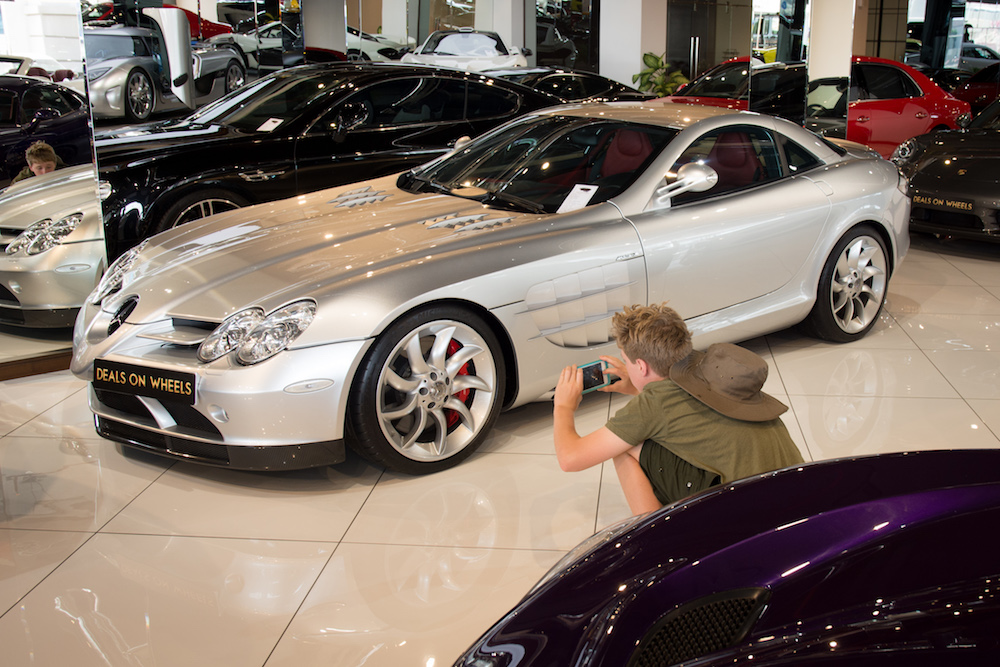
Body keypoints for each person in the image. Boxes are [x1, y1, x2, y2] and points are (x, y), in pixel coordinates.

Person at [553, 303, 804, 516]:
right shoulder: (708, 368)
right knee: (641, 435)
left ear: (641, 366)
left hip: (744, 518)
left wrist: (563, 405)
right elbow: (684, 410)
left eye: (626, 360)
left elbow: (570, 458)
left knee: (624, 445)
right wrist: (634, 386)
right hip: (797, 495)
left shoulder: (654, 404)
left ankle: (653, 536)